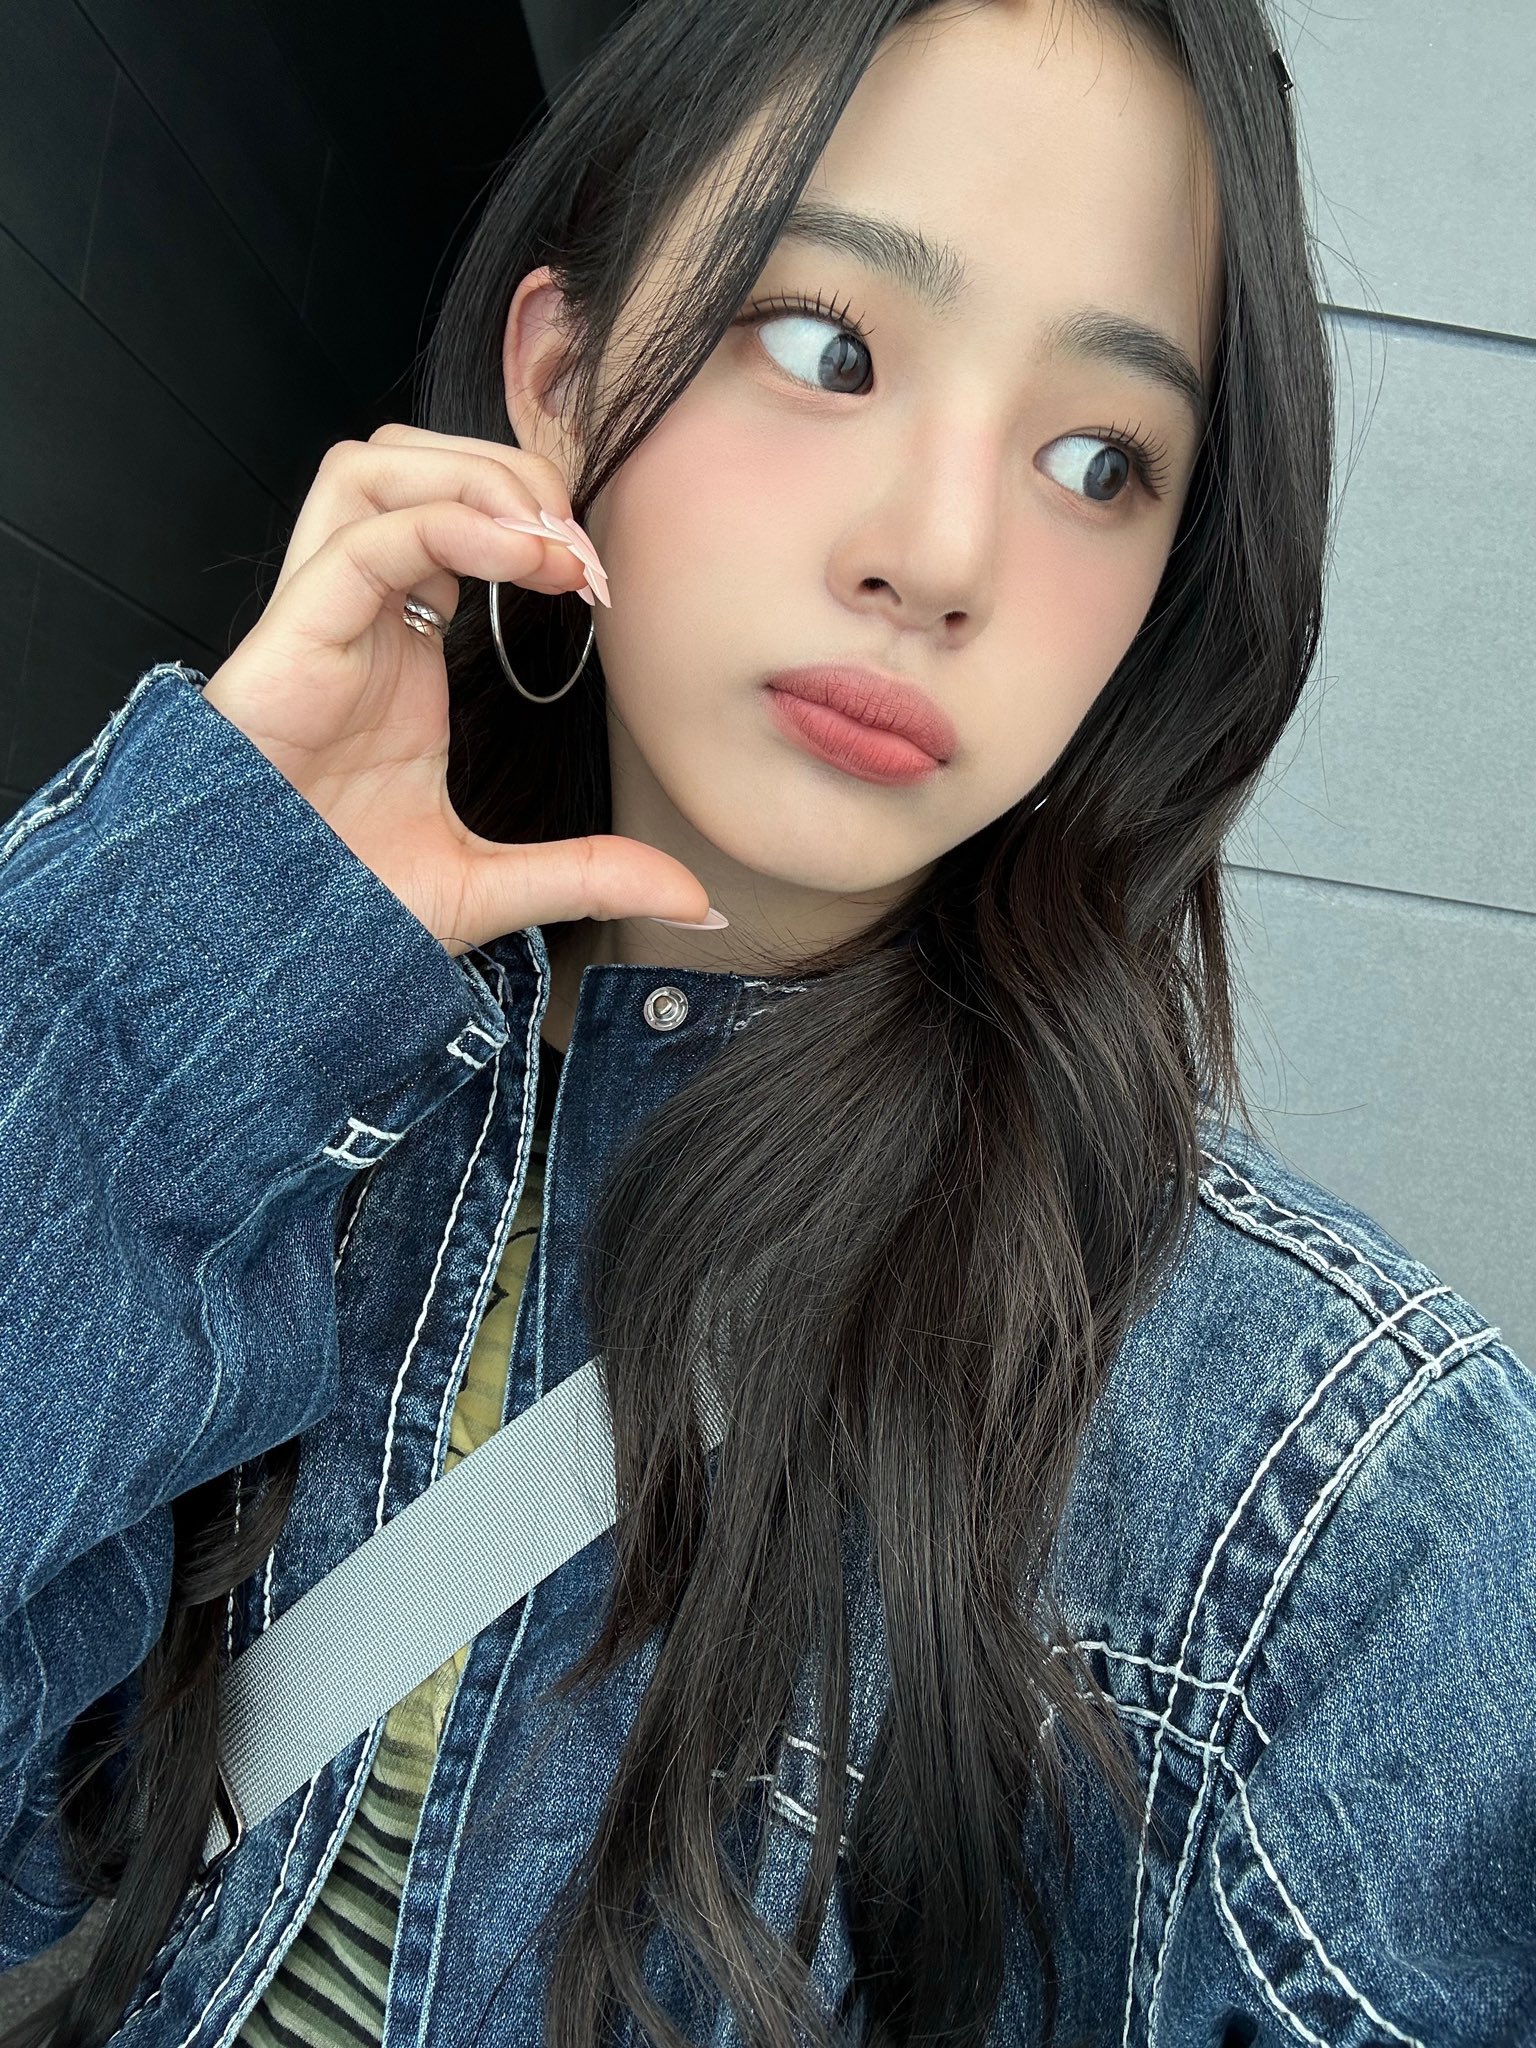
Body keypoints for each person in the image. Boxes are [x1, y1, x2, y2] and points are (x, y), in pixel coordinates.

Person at [1, 0, 1531, 2043]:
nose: (940, 554)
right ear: (561, 380)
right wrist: (177, 969)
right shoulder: (242, 1088)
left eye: (1101, 461)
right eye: (825, 346)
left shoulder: (1333, 1496)